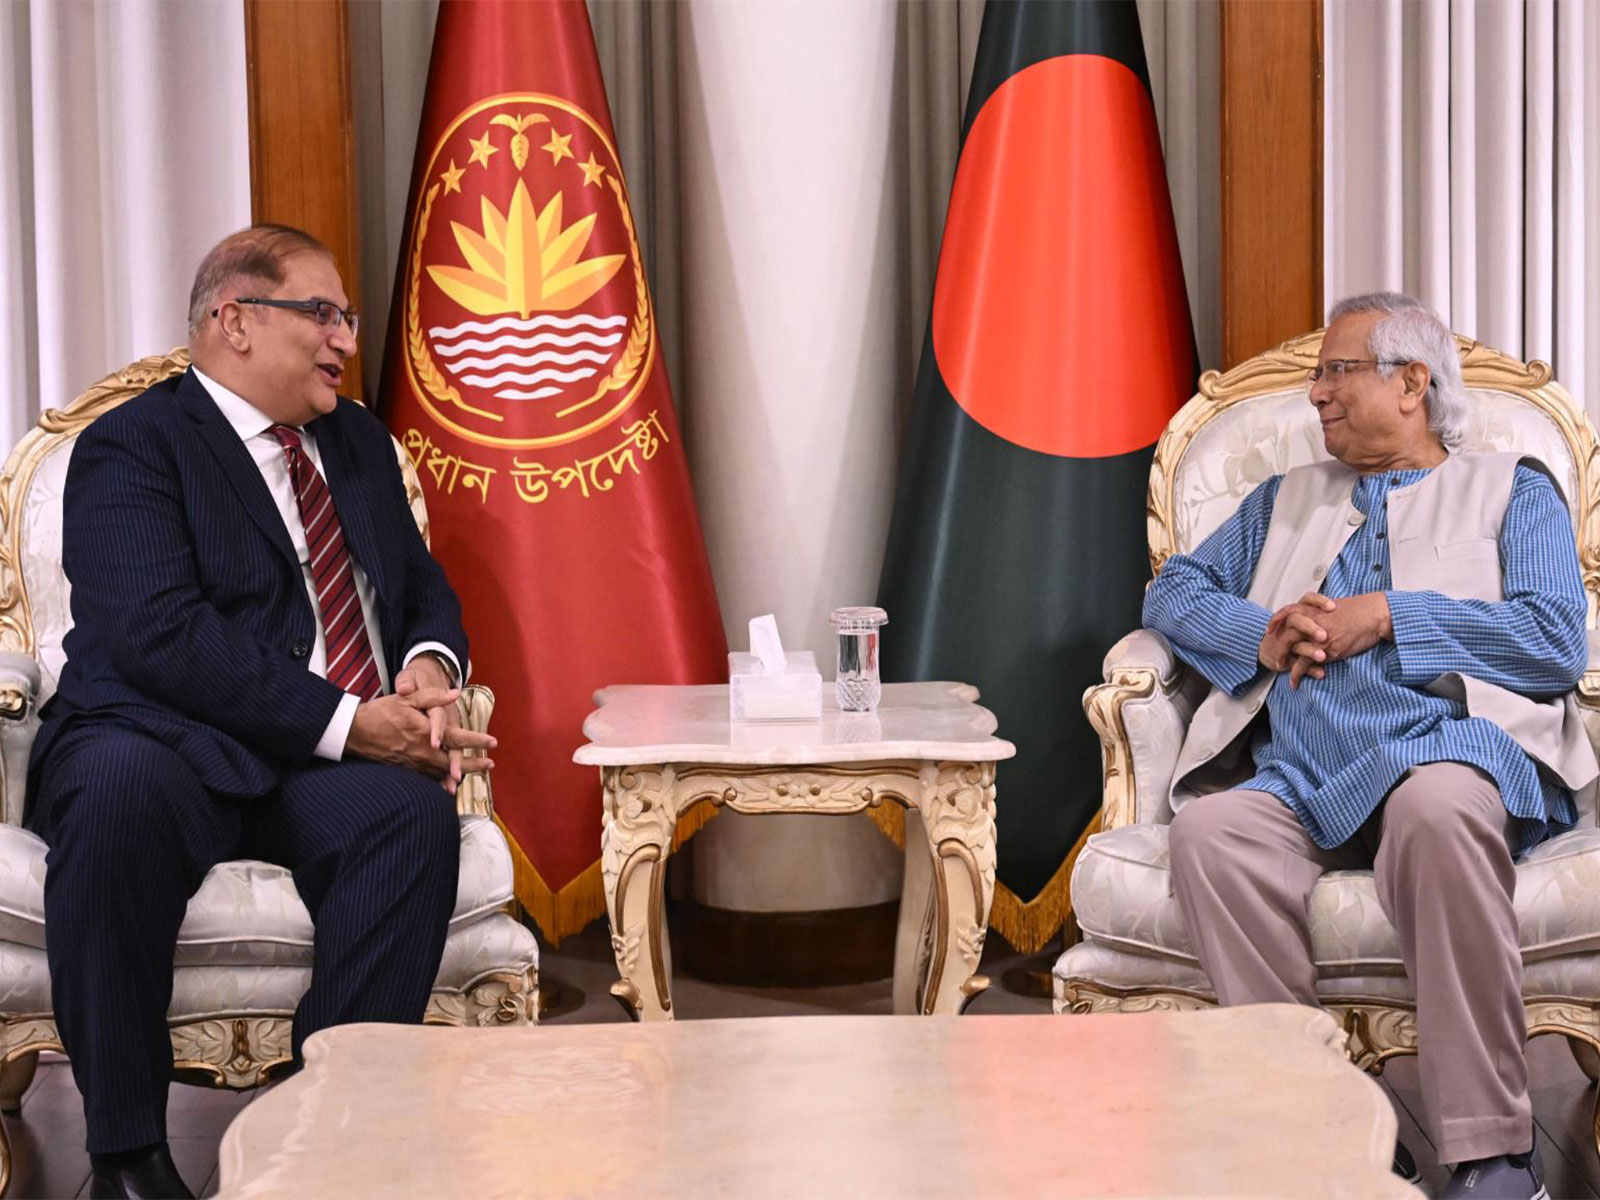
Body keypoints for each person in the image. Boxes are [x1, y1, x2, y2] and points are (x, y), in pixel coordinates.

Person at [25, 224, 497, 1200]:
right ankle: (123, 1158)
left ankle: (319, 1137)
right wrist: (350, 722)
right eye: (320, 314)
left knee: (408, 823)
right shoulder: (132, 446)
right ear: (234, 321)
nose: (343, 340)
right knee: (115, 803)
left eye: (347, 318)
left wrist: (422, 666)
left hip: (309, 764)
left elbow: (422, 589)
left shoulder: (357, 441)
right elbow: (159, 633)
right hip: (155, 737)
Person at [1146, 292, 1592, 1200]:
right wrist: (1261, 633)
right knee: (1211, 836)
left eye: (1337, 371)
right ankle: (1332, 1133)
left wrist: (1389, 615)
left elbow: (1553, 638)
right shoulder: (1284, 500)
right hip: (1305, 772)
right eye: (1316, 377)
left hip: (1455, 751)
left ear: (1412, 383)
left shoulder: (1514, 487)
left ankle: (1492, 1155)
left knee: (1435, 810)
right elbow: (1173, 593)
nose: (1315, 395)